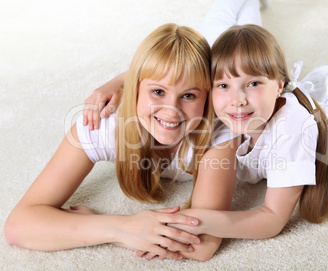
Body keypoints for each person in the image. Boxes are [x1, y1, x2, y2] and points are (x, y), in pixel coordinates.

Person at [83, 0, 328, 255]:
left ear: (279, 84)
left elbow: (271, 220)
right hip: (319, 88)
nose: (236, 101)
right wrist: (117, 82)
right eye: (222, 85)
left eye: (252, 83)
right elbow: (169, 73)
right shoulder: (222, 107)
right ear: (210, 87)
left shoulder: (291, 131)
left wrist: (188, 222)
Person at [4, 3, 251, 260]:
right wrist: (118, 228)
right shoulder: (103, 124)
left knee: (242, 33)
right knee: (217, 18)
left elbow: (202, 245)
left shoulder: (219, 132)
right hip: (183, 63)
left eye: (189, 95)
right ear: (134, 90)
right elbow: (18, 226)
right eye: (158, 92)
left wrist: (82, 228)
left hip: (214, 53)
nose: (171, 111)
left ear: (208, 99)